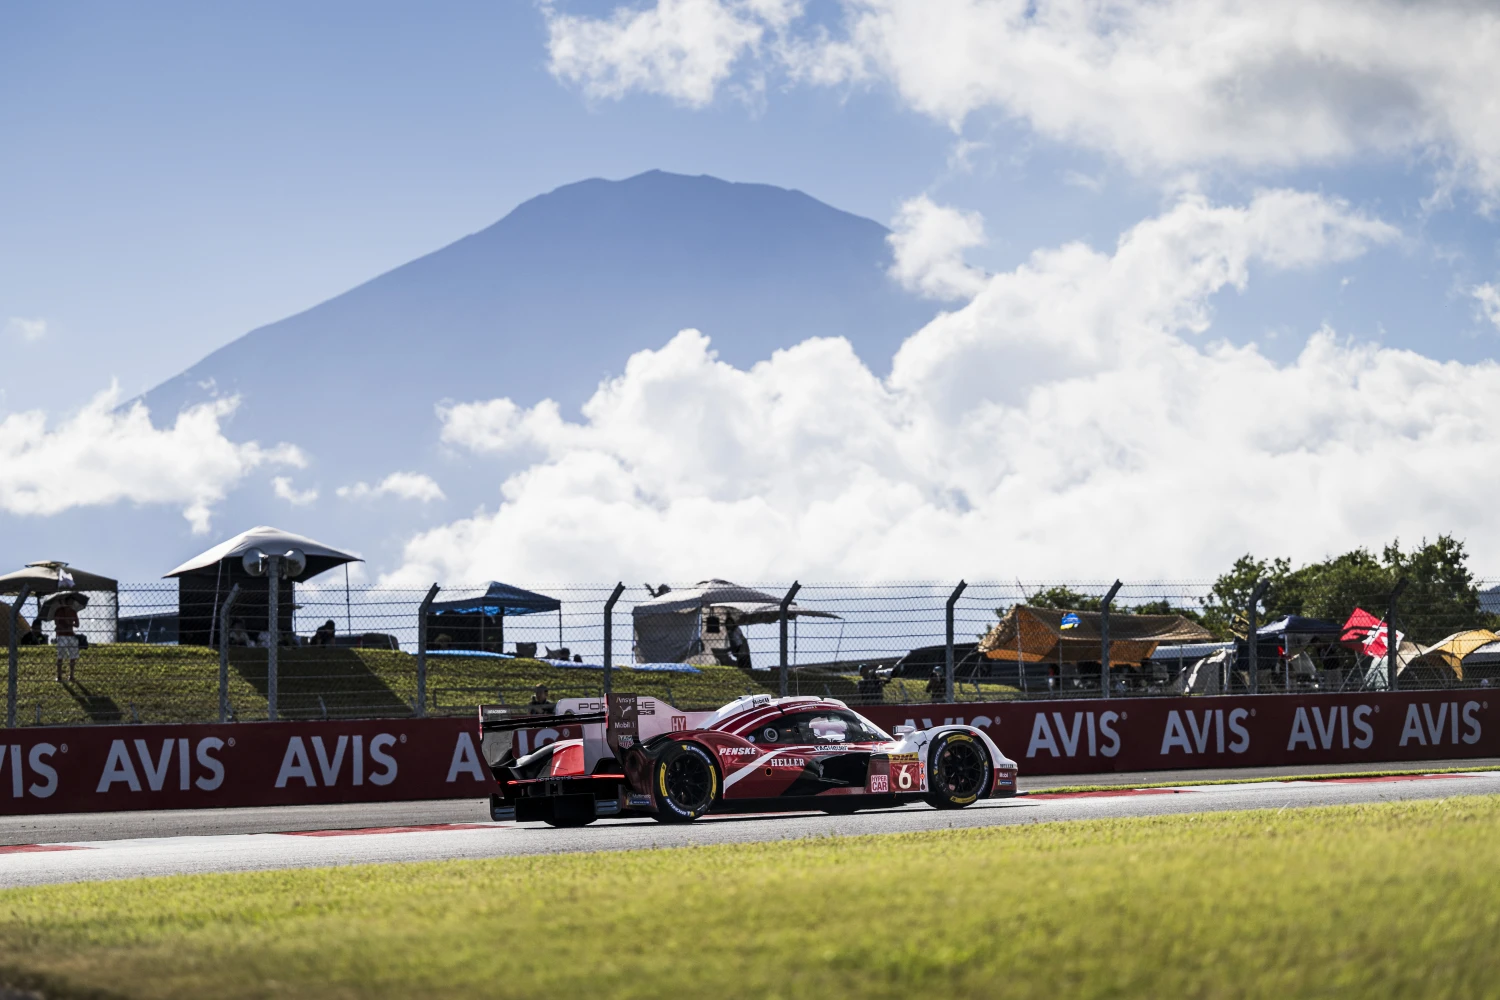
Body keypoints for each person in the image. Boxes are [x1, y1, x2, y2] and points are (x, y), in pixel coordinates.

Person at [53, 600, 81, 683]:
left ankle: (71, 676)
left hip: (70, 635)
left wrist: (70, 624)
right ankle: (59, 676)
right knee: (60, 656)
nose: (70, 604)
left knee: (73, 656)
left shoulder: (73, 612)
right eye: (68, 602)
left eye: (71, 602)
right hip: (62, 635)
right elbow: (56, 623)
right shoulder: (59, 611)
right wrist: (65, 623)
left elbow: (77, 624)